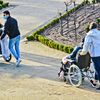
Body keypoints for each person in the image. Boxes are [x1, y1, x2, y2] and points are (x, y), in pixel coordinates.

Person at [80, 22, 100, 90]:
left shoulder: (89, 35)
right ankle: (95, 81)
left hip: (95, 54)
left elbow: (86, 45)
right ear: (96, 27)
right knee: (98, 68)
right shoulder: (99, 33)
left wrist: (83, 52)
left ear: (90, 28)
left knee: (97, 69)